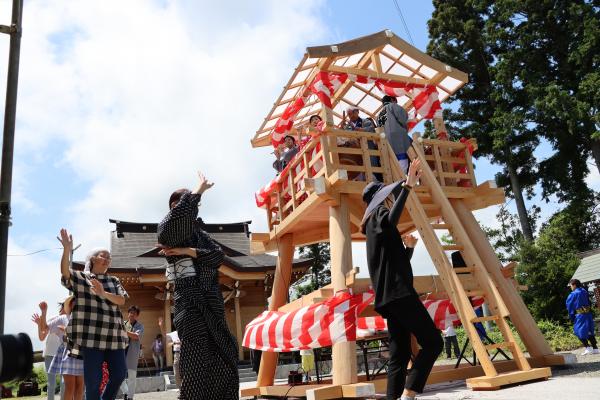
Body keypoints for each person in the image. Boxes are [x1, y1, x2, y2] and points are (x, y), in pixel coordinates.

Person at [361, 159, 443, 400]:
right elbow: (390, 220)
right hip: (400, 294)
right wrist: (407, 186)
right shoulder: (379, 213)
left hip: (389, 298)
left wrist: (408, 249)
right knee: (433, 342)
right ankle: (410, 393)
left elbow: (391, 263)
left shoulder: (371, 228)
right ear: (381, 197)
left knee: (400, 353)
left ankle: (393, 398)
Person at [157, 172, 239, 400]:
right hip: (190, 301)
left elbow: (217, 256)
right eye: (185, 200)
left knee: (224, 352)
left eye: (194, 200)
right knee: (195, 358)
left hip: (212, 299)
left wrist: (187, 251)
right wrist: (198, 190)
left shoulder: (200, 234)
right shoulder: (168, 228)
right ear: (175, 205)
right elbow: (176, 225)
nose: (193, 203)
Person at [58, 229, 129, 400]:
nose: (107, 260)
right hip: (92, 338)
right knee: (93, 382)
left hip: (114, 337)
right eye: (103, 256)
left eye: (109, 258)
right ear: (92, 259)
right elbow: (65, 273)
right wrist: (67, 249)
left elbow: (122, 300)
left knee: (119, 374)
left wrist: (103, 293)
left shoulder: (114, 280)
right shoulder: (82, 278)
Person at [43, 296, 84, 400]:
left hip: (82, 354)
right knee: (70, 388)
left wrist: (66, 330)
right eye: (73, 302)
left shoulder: (85, 319)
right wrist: (44, 312)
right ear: (70, 305)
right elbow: (45, 328)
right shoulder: (63, 318)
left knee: (80, 389)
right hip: (68, 354)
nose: (76, 304)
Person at [32, 301, 65, 400]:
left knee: (64, 383)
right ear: (62, 309)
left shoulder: (71, 321)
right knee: (51, 384)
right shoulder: (53, 320)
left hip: (64, 356)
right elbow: (42, 337)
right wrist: (39, 324)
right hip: (50, 355)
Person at [378, 95, 412, 173]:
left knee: (391, 163)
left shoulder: (379, 115)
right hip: (398, 137)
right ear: (392, 100)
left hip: (385, 141)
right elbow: (403, 119)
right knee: (403, 162)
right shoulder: (393, 106)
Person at [566, 279, 599, 355]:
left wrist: (572, 317)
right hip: (588, 314)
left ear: (574, 285)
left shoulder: (573, 294)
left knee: (577, 331)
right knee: (589, 331)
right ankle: (595, 348)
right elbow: (589, 302)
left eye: (571, 285)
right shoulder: (584, 291)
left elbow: (570, 307)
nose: (571, 287)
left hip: (580, 315)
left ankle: (588, 348)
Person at [120, 306, 144, 400]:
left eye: (134, 313)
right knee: (118, 375)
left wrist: (123, 331)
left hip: (132, 354)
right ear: (128, 313)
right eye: (130, 312)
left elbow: (136, 336)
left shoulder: (140, 326)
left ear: (137, 315)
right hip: (121, 353)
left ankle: (130, 397)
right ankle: (126, 392)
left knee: (132, 377)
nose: (132, 314)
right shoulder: (123, 324)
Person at [158, 317, 181, 388]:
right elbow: (164, 335)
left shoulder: (185, 332)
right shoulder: (173, 333)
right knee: (176, 372)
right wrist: (161, 326)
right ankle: (180, 389)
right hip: (177, 354)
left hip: (186, 353)